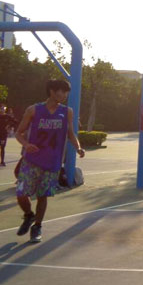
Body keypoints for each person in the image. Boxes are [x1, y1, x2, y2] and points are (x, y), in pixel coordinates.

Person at [14, 79, 86, 242]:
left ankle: (37, 227)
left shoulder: (67, 111)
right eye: (62, 91)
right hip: (31, 160)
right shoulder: (33, 110)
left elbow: (70, 133)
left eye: (67, 92)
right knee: (21, 193)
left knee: (42, 196)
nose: (65, 95)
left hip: (52, 162)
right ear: (52, 91)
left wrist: (78, 147)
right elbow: (19, 133)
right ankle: (29, 215)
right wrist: (26, 144)